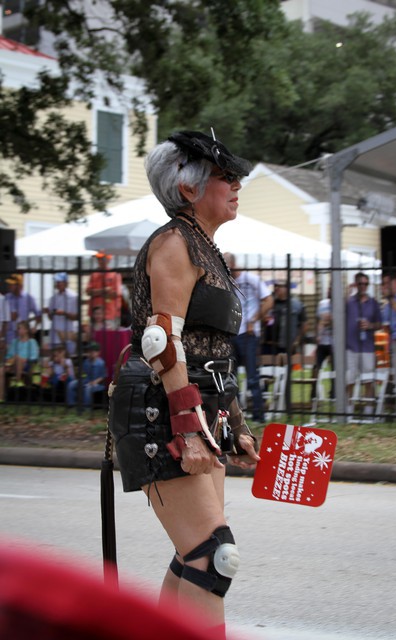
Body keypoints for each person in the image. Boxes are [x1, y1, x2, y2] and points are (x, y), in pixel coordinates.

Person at [108, 130, 260, 638]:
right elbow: (162, 340)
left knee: (196, 556)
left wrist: (233, 423)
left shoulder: (206, 248)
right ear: (189, 189)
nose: (237, 184)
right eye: (224, 176)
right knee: (213, 556)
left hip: (197, 409)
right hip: (164, 408)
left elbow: (210, 349)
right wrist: (188, 427)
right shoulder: (175, 243)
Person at [223, 252, 273, 423]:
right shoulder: (226, 281)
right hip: (232, 332)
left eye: (227, 265)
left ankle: (259, 415)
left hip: (249, 334)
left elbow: (268, 300)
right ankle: (236, 417)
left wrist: (254, 319)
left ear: (234, 264)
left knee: (252, 376)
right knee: (231, 376)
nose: (226, 269)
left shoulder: (251, 279)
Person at [346, 272, 382, 417]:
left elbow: (379, 324)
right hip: (350, 346)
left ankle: (368, 409)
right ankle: (348, 409)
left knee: (368, 379)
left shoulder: (374, 303)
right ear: (355, 285)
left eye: (366, 284)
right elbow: (337, 312)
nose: (363, 287)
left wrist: (370, 325)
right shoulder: (348, 302)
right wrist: (347, 292)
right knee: (350, 379)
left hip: (367, 347)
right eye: (360, 284)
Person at [264, 281, 307, 356]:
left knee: (289, 367)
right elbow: (263, 319)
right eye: (275, 286)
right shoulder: (270, 303)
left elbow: (304, 325)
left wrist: (296, 341)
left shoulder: (297, 304)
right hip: (269, 345)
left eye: (280, 286)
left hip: (288, 346)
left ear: (287, 288)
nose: (276, 288)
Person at [45, 272, 78, 356]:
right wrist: (48, 312)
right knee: (54, 359)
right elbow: (51, 318)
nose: (58, 284)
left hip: (67, 332)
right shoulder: (53, 298)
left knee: (69, 358)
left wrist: (64, 313)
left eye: (60, 282)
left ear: (66, 283)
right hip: (55, 333)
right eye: (57, 282)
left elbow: (76, 317)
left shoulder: (73, 297)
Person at [86, 252, 122, 330]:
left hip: (109, 314)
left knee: (109, 338)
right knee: (94, 338)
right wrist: (104, 290)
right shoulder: (94, 275)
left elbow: (116, 293)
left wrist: (96, 293)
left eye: (102, 259)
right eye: (98, 259)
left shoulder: (114, 275)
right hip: (94, 314)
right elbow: (88, 291)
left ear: (108, 260)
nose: (100, 261)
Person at [66, 341, 106, 407]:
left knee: (88, 388)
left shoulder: (101, 363)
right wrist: (81, 376)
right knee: (71, 384)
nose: (90, 353)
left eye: (92, 351)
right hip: (86, 381)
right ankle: (71, 403)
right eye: (89, 351)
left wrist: (94, 382)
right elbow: (84, 374)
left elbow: (103, 376)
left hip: (97, 384)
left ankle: (86, 406)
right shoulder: (86, 362)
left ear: (98, 353)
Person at [5, 273, 41, 344]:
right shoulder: (6, 298)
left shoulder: (28, 298)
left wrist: (35, 327)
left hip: (23, 335)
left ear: (19, 286)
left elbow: (38, 315)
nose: (9, 286)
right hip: (9, 335)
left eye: (12, 284)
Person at [5, 320, 40, 387]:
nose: (18, 330)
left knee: (17, 358)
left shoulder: (32, 342)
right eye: (18, 328)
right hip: (13, 364)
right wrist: (11, 359)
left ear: (26, 330)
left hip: (27, 365)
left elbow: (34, 357)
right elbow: (8, 356)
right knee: (6, 366)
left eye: (19, 328)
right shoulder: (14, 342)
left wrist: (22, 359)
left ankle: (17, 381)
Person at [0, 291, 11, 401]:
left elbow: (5, 322)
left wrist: (2, 338)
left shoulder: (3, 300)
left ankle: (1, 396)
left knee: (1, 369)